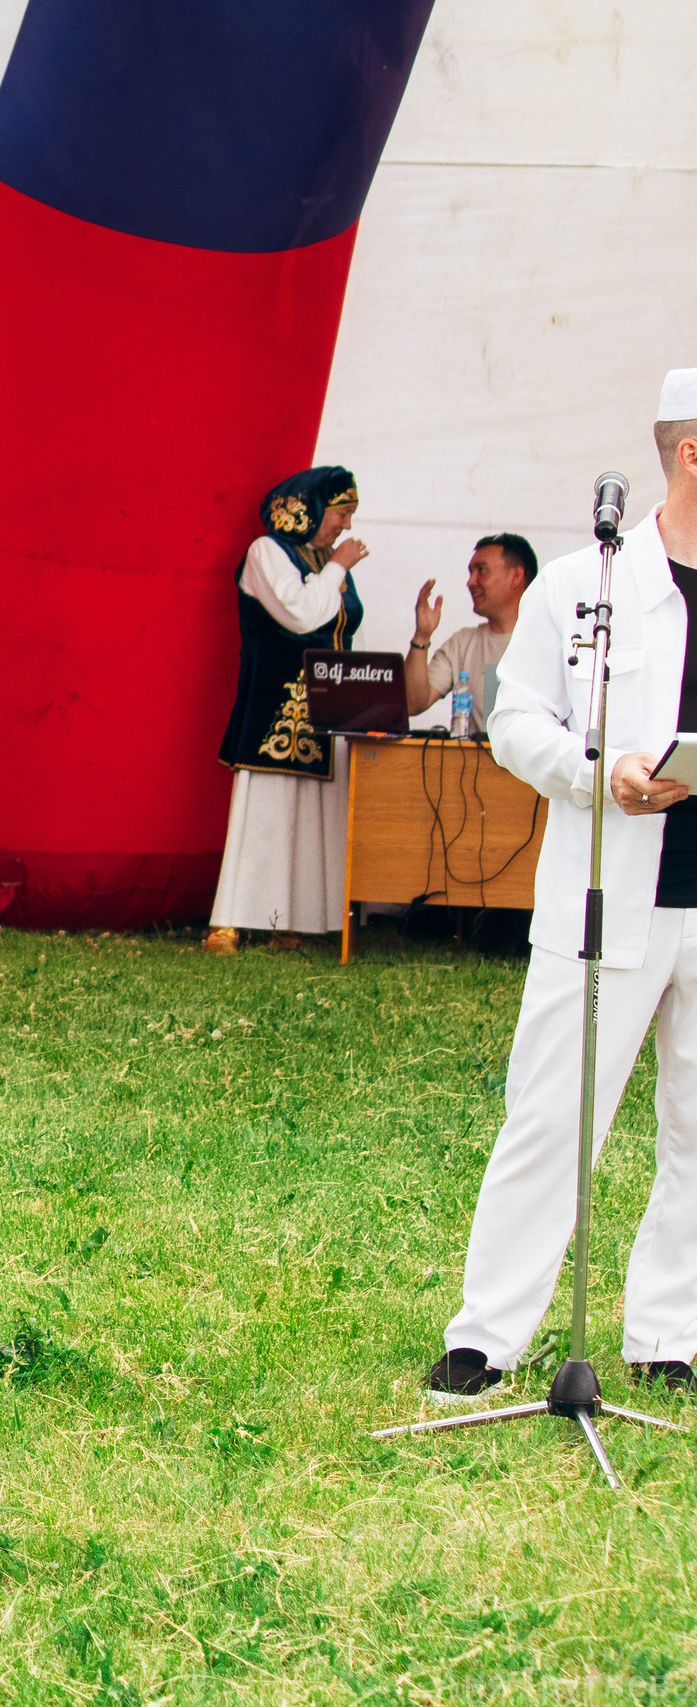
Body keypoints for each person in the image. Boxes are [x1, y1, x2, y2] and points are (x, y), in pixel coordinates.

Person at [429, 371, 697, 1398]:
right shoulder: (587, 581)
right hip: (609, 887)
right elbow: (516, 717)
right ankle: (486, 1335)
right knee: (551, 1113)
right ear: (687, 452)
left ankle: (668, 1333)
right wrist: (600, 773)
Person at [202, 468, 367, 954]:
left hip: (322, 709)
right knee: (265, 809)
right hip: (275, 703)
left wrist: (332, 564)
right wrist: (336, 567)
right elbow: (300, 614)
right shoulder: (266, 552)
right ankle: (230, 922)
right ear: (311, 508)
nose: (346, 526)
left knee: (311, 814)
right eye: (341, 513)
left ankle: (290, 921)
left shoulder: (323, 559)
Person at [406, 533, 537, 726]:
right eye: (470, 572)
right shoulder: (462, 642)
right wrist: (422, 636)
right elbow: (413, 704)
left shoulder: (550, 640)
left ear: (516, 575)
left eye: (482, 570)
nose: (470, 582)